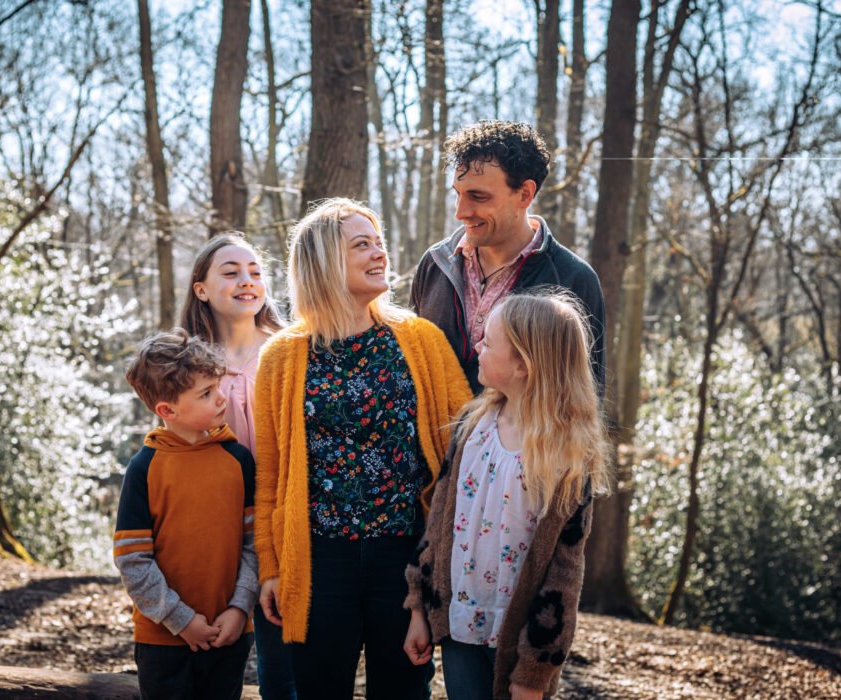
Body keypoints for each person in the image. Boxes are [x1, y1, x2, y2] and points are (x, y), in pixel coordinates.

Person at [253, 198, 472, 700]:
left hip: (403, 557)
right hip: (317, 558)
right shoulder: (282, 357)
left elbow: (463, 443)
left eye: (379, 242)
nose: (380, 254)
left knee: (403, 690)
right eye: (362, 245)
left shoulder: (419, 340)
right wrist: (270, 566)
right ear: (325, 261)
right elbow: (270, 475)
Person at [402, 291, 609, 700]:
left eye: (489, 341)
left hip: (518, 642)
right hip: (459, 625)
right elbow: (438, 524)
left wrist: (534, 671)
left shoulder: (566, 454)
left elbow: (565, 573)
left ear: (523, 364)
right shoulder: (470, 427)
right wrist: (418, 608)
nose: (477, 345)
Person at [410, 120, 606, 396]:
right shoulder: (434, 264)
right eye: (458, 194)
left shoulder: (572, 279)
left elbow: (585, 401)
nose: (461, 212)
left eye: (478, 197)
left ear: (524, 194)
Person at [113, 329, 258, 700]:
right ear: (167, 410)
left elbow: (254, 544)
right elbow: (133, 560)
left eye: (217, 385)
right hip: (163, 640)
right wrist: (183, 622)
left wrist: (240, 609)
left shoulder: (238, 460)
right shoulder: (144, 469)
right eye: (206, 394)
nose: (221, 397)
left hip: (230, 633)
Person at [180, 233, 295, 700]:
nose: (247, 281)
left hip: (282, 524)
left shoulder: (290, 350)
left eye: (255, 272)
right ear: (201, 289)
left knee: (281, 660)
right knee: (209, 658)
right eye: (231, 273)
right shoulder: (184, 364)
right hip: (214, 526)